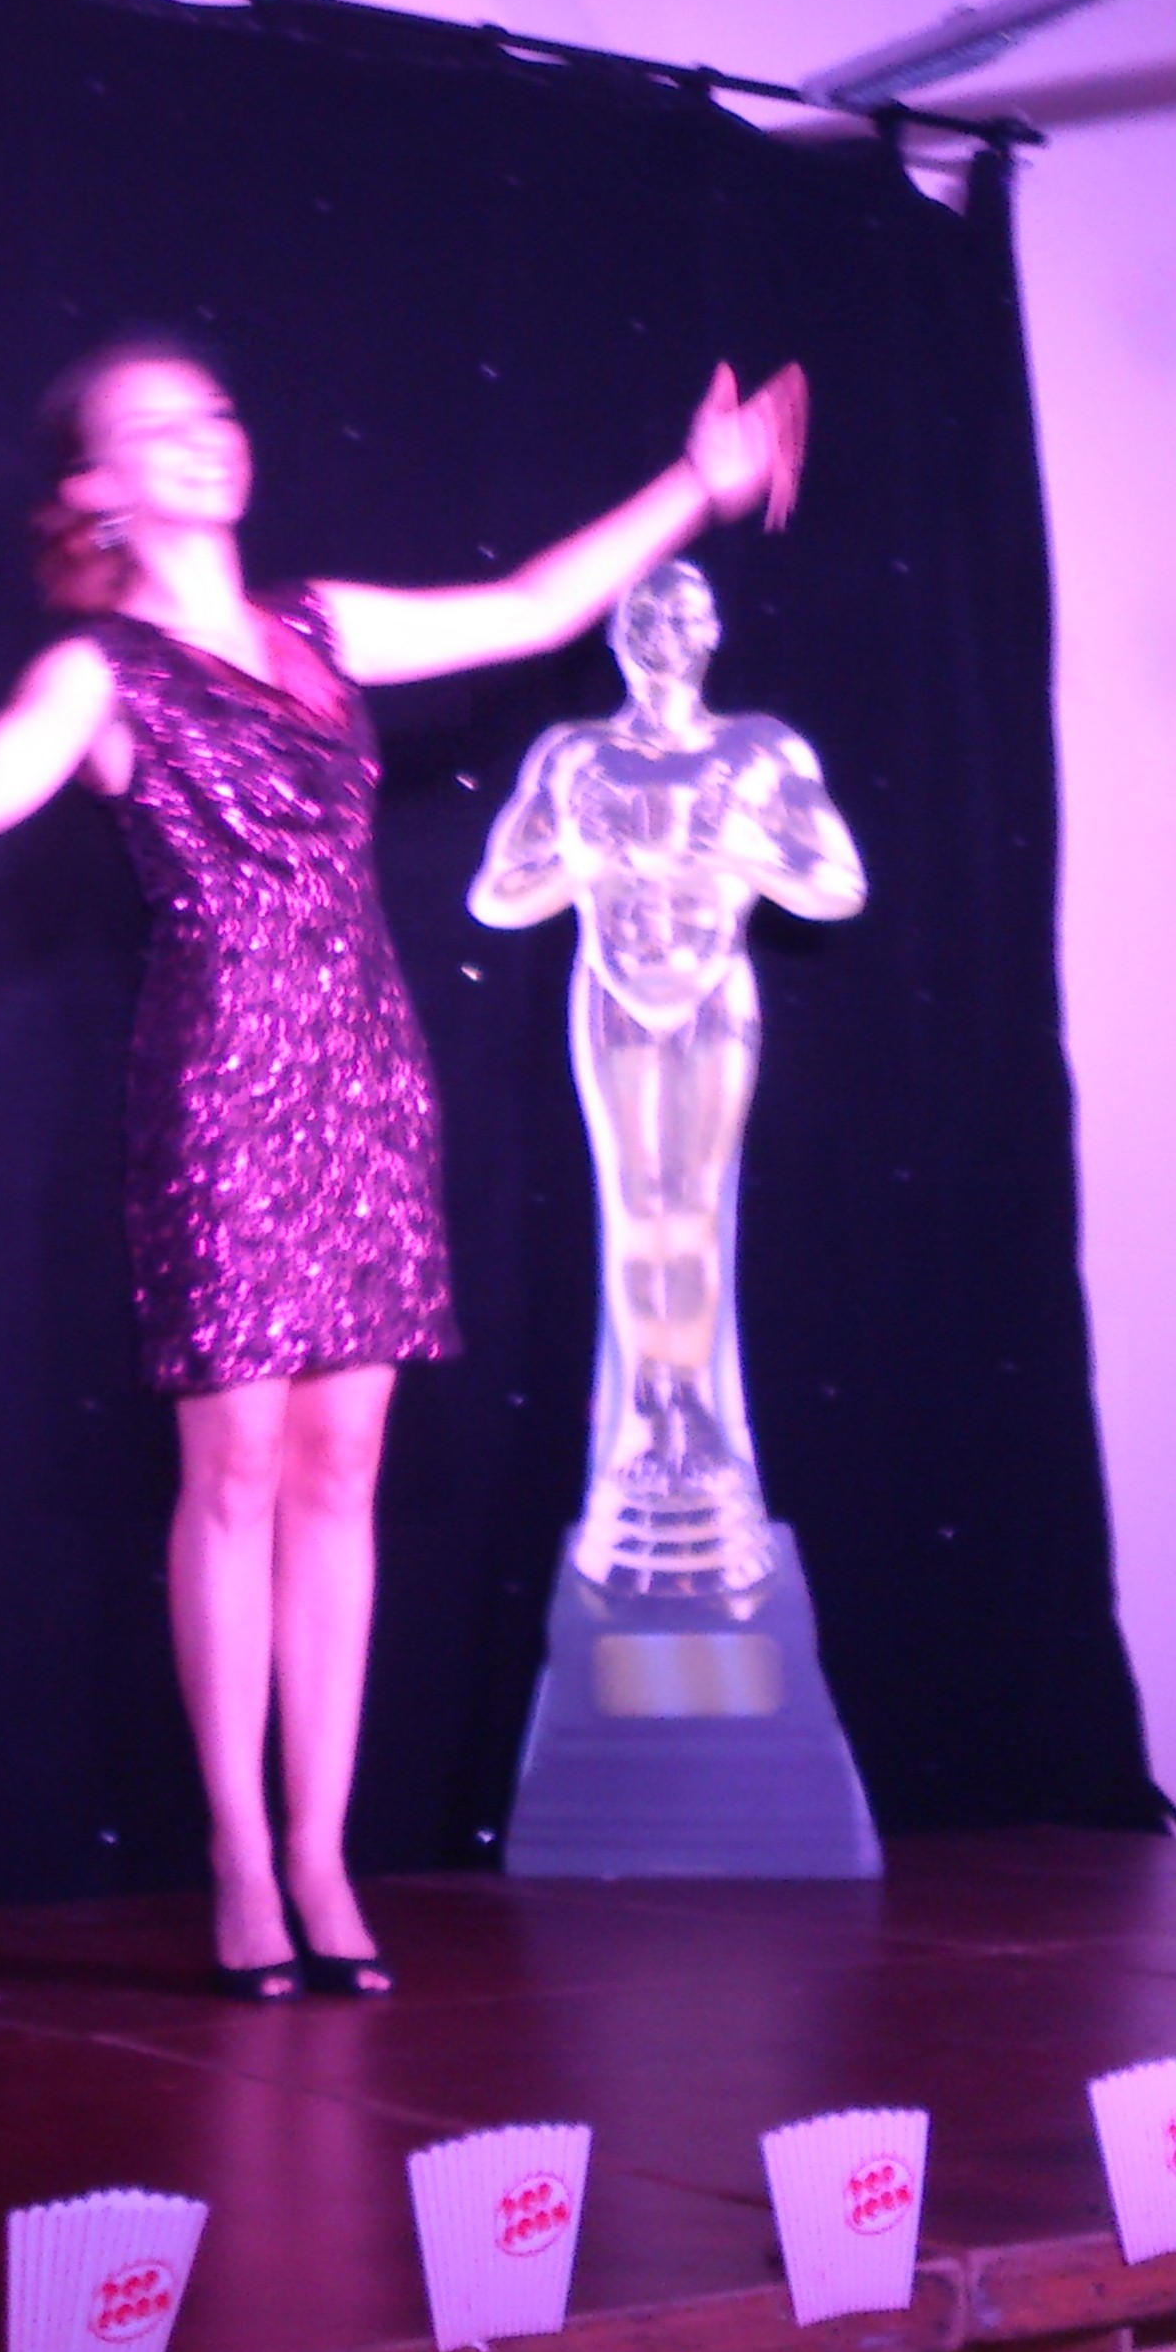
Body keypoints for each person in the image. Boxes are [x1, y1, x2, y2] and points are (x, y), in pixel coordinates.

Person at [0, 338, 806, 2000]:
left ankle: (323, 1849)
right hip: (221, 1077)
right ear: (95, 489)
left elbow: (534, 607)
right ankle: (241, 1858)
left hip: (368, 1067)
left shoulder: (318, 625)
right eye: (157, 424)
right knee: (238, 1472)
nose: (203, 436)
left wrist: (702, 481)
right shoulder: (101, 670)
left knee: (343, 1472)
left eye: (217, 412)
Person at [469, 557, 867, 1600]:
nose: (666, 634)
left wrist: (740, 857)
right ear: (618, 634)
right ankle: (651, 1416)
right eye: (646, 616)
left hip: (713, 991)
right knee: (636, 1206)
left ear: (713, 632)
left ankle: (691, 1418)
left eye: (686, 616)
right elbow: (496, 894)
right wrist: (589, 863)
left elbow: (839, 882)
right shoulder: (574, 756)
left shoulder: (760, 751)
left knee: (696, 1208)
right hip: (613, 989)